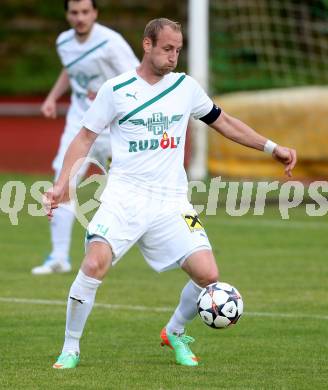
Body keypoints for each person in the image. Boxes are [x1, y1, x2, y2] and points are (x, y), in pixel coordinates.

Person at [45, 18, 297, 368]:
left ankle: (175, 331)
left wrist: (271, 147)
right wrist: (62, 184)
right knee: (94, 263)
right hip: (124, 198)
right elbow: (84, 138)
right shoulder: (116, 90)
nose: (173, 57)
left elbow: (224, 122)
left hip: (171, 201)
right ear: (147, 45)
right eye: (167, 49)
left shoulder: (185, 88)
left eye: (178, 50)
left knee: (208, 275)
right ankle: (70, 347)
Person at [32, 0, 139, 275]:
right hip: (80, 124)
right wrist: (53, 97)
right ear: (67, 15)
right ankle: (58, 257)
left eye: (84, 12)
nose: (79, 18)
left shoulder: (111, 43)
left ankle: (137, 247)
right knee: (62, 182)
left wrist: (108, 95)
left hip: (115, 127)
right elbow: (70, 69)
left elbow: (137, 77)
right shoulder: (63, 42)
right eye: (74, 12)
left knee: (129, 190)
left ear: (95, 14)